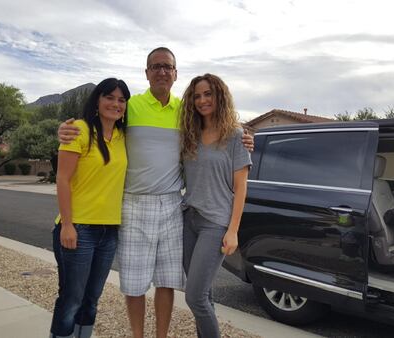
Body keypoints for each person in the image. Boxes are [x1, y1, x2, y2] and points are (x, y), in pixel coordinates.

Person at [58, 47, 254, 338]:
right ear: (146, 72)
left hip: (173, 207)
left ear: (175, 74)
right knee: (135, 284)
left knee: (167, 282)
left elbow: (222, 132)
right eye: (155, 66)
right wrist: (64, 128)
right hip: (134, 205)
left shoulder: (184, 112)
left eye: (167, 66)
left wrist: (246, 135)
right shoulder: (130, 106)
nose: (162, 71)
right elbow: (101, 121)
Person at [50, 78, 130, 338]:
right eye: (109, 97)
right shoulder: (80, 130)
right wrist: (68, 225)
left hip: (109, 231)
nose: (115, 104)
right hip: (79, 228)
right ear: (97, 100)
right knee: (72, 298)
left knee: (92, 299)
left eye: (121, 100)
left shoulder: (122, 136)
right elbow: (62, 178)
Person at [180, 74, 251, 338]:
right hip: (189, 220)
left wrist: (233, 230)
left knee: (195, 297)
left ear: (219, 95)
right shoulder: (190, 134)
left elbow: (241, 187)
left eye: (208, 94)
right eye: (197, 96)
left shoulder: (235, 136)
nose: (202, 100)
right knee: (203, 295)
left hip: (215, 224)